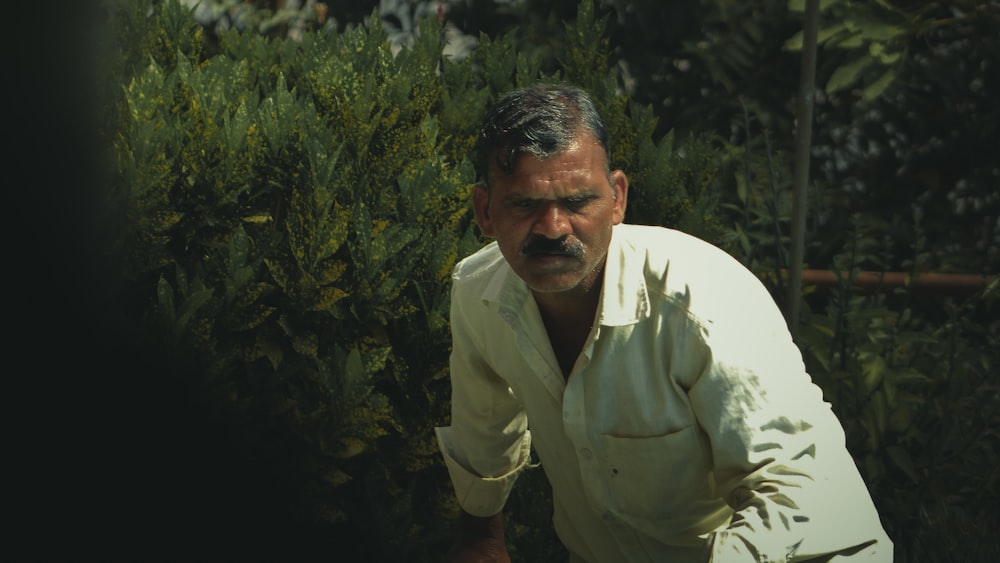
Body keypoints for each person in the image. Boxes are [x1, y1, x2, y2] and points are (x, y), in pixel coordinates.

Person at [434, 83, 893, 562]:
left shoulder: (700, 300)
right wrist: (481, 540)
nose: (553, 227)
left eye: (577, 202)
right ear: (485, 211)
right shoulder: (478, 293)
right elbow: (483, 428)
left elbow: (801, 492)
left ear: (617, 198)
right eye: (525, 205)